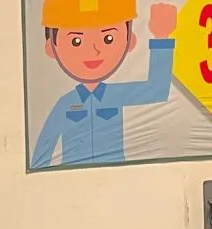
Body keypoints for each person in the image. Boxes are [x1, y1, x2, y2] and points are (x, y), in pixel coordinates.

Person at [30, 0, 176, 168]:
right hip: (73, 176)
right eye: (76, 41)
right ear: (51, 48)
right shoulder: (65, 103)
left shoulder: (117, 95)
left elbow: (157, 90)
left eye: (108, 38)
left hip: (114, 174)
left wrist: (162, 38)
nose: (94, 50)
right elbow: (45, 146)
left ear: (130, 41)